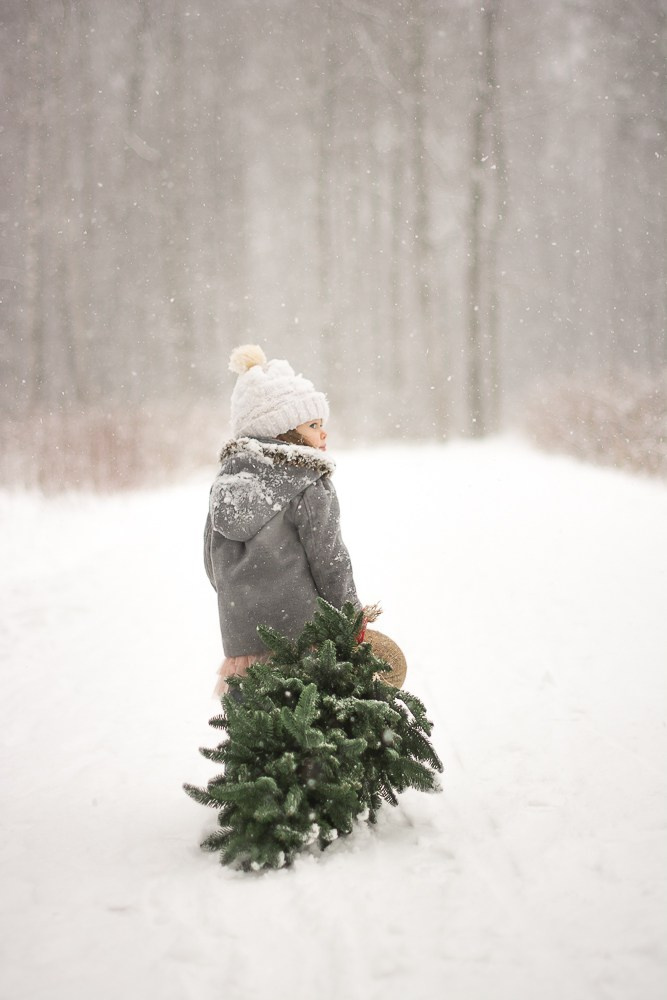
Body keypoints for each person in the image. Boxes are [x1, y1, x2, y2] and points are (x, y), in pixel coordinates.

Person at [204, 344, 361, 695]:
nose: (324, 434)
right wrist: (352, 622)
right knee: (310, 737)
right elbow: (330, 561)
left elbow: (212, 564)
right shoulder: (309, 483)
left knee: (259, 740)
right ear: (282, 429)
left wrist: (246, 600)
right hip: (305, 644)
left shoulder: (224, 485)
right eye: (314, 424)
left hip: (243, 650)